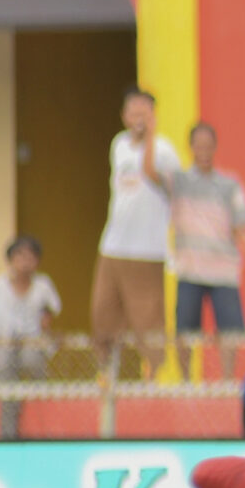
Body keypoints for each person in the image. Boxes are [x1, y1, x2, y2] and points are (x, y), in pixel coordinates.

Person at [90, 87, 179, 379]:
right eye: (132, 112)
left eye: (144, 112)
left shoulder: (165, 150)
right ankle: (107, 376)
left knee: (148, 321)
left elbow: (153, 174)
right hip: (113, 246)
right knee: (104, 313)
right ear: (124, 115)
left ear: (153, 115)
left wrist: (150, 136)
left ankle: (152, 378)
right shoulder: (119, 144)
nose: (137, 118)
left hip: (147, 251)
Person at [168, 120, 245, 380]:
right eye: (198, 145)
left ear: (215, 147)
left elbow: (242, 222)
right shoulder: (178, 182)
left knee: (229, 331)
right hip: (190, 267)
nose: (203, 151)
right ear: (190, 147)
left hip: (223, 269)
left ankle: (227, 381)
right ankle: (184, 382)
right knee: (184, 330)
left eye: (208, 145)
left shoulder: (231, 184)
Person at [0, 235, 59, 441]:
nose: (25, 261)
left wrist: (46, 323)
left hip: (32, 350)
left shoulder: (43, 285)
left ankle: (43, 434)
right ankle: (8, 439)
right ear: (10, 260)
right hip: (5, 349)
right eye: (19, 256)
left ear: (37, 261)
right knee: (8, 397)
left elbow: (52, 310)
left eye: (30, 256)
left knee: (32, 367)